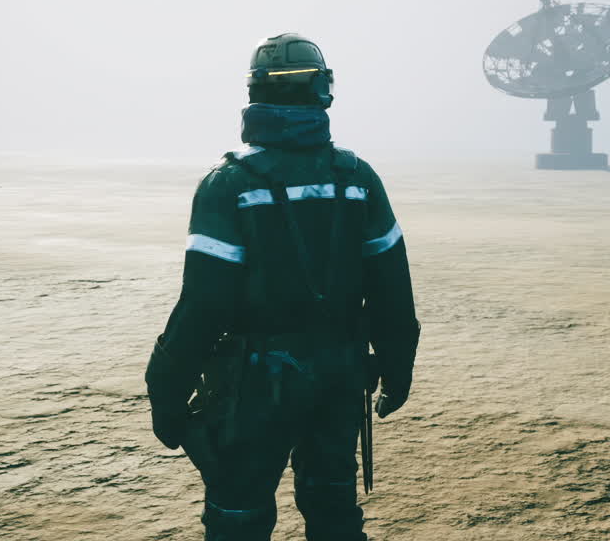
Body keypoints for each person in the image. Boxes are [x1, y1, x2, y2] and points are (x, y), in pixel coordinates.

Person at [145, 33, 420, 541]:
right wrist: (398, 364)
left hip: (254, 384)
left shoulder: (227, 185)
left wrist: (165, 386)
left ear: (254, 95)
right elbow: (392, 288)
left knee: (238, 519)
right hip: (341, 375)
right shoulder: (358, 178)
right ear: (324, 92)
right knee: (334, 509)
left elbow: (203, 305)